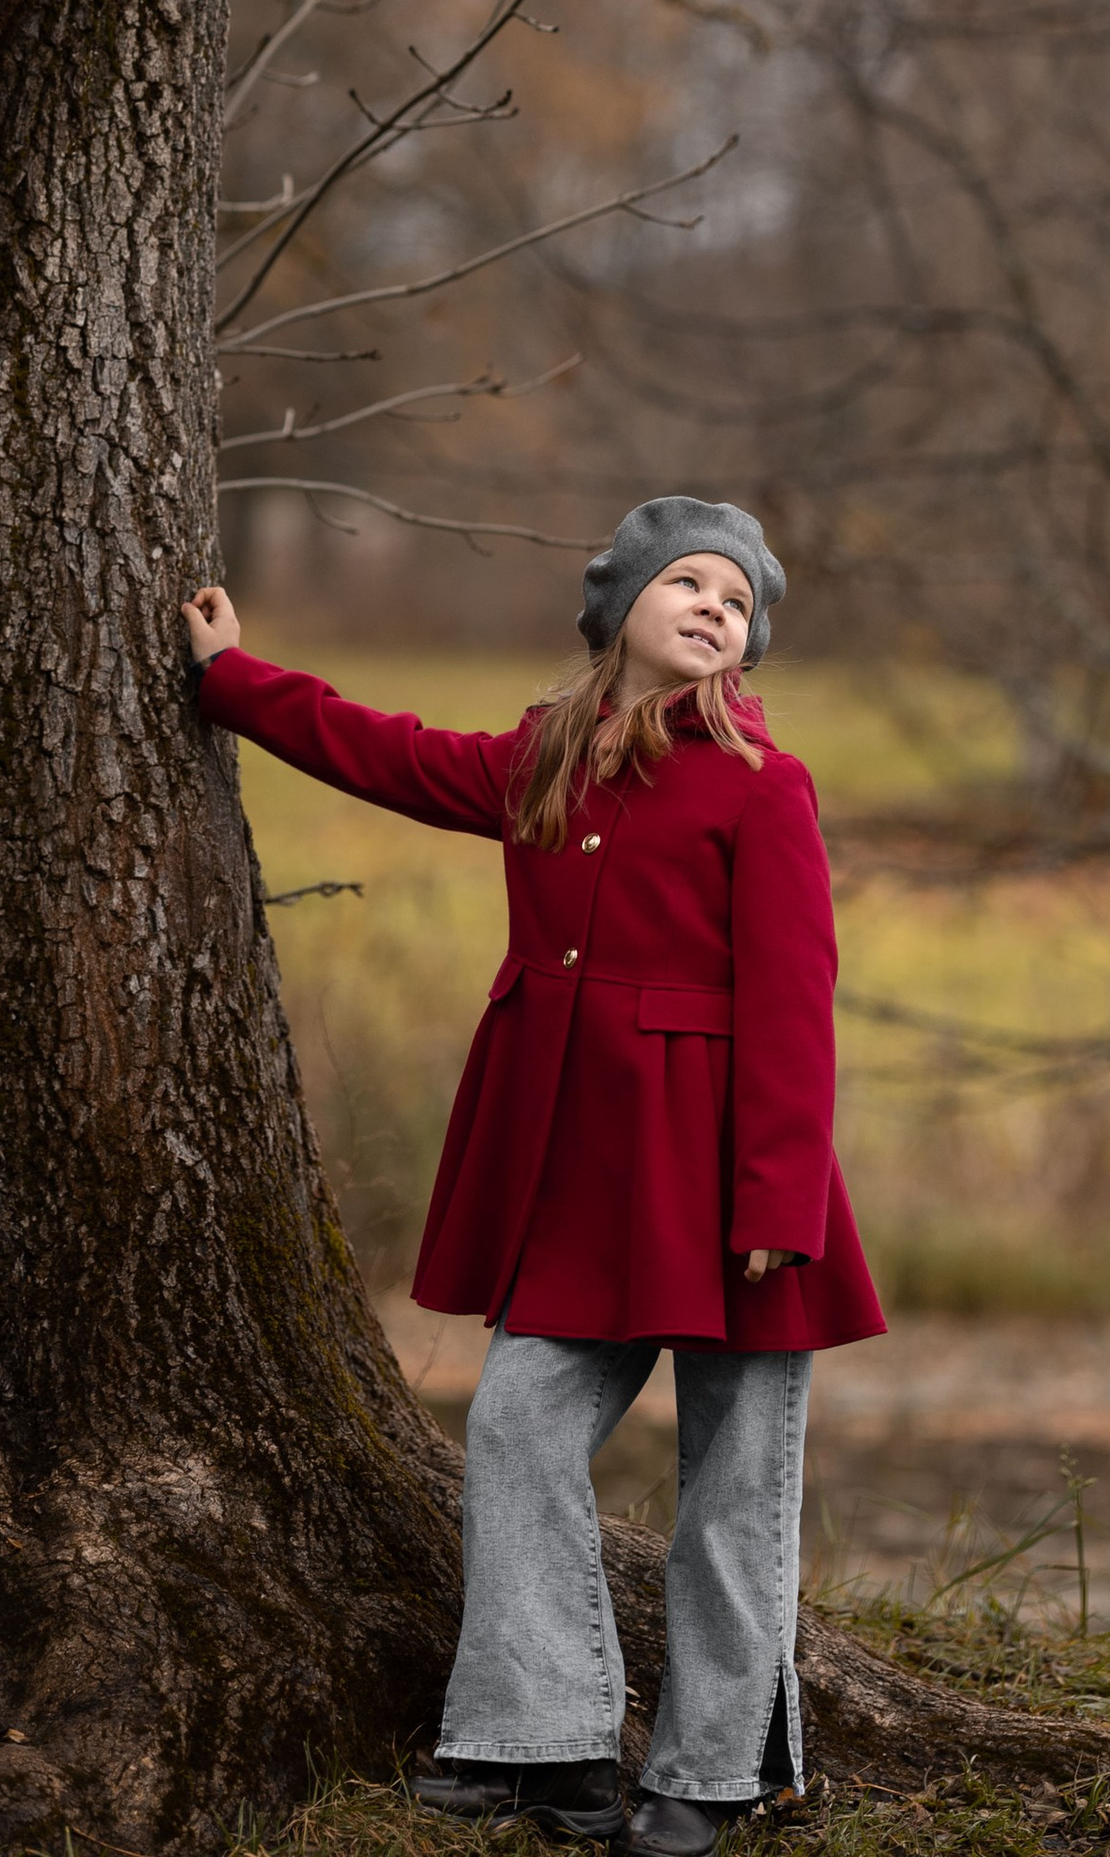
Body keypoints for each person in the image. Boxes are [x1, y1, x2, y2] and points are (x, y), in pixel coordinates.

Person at [181, 493, 884, 1853]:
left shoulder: (761, 784)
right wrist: (232, 680)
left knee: (736, 1483)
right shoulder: (545, 760)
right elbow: (381, 753)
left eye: (735, 606)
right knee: (513, 1429)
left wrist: (778, 1204)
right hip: (578, 1167)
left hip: (731, 1180)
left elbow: (797, 1002)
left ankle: (716, 1772)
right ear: (619, 604)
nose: (712, 612)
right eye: (688, 584)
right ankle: (551, 1743)